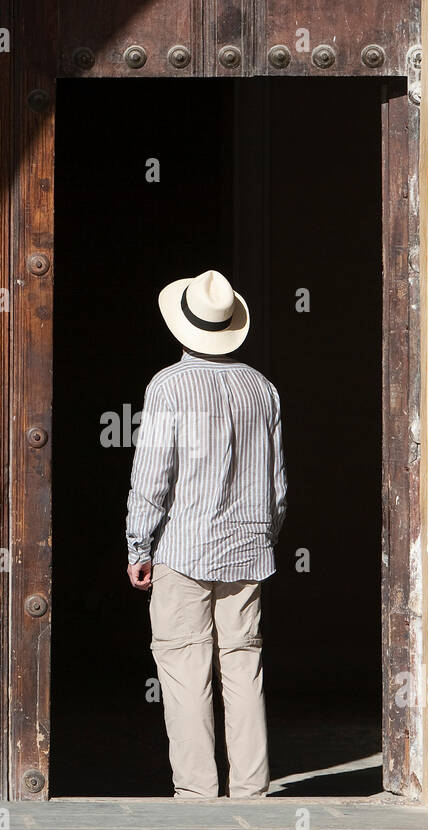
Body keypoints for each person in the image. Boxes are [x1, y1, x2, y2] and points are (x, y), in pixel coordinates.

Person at [124, 268, 287, 799]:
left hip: (183, 550)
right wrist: (265, 535)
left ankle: (196, 793)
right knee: (244, 666)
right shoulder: (263, 390)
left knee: (184, 666)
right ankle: (251, 790)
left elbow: (152, 476)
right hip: (248, 550)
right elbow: (278, 487)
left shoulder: (169, 386)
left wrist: (138, 546)